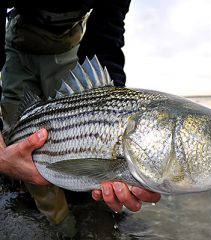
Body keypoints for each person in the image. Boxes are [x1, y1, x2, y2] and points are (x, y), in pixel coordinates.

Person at [0, 0, 161, 235]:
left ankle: (92, 213)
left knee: (86, 141)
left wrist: (114, 112)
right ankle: (60, 224)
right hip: (15, 46)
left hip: (67, 46)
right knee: (19, 147)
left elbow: (106, 35)